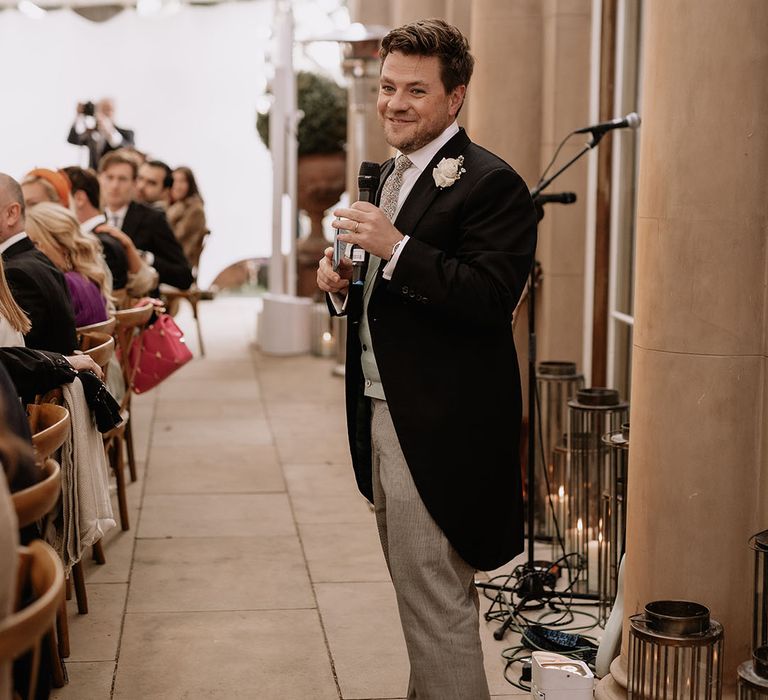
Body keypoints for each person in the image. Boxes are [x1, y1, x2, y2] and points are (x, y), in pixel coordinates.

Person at [316, 19, 537, 699]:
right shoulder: (389, 175)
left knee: (437, 608)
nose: (395, 102)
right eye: (388, 87)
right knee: (423, 606)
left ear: (455, 98)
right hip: (386, 416)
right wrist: (344, 288)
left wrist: (397, 248)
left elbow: (490, 298)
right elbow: (390, 302)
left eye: (416, 89)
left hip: (441, 430)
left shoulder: (492, 184)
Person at [0, 174, 77, 354]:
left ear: (11, 214)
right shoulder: (39, 259)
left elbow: (18, 356)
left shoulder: (13, 274)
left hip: (45, 381)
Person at [98, 151, 193, 291]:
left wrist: (146, 258)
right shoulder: (92, 215)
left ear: (134, 183)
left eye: (122, 179)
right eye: (109, 177)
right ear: (100, 178)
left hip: (138, 304)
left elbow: (184, 276)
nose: (114, 185)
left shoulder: (153, 219)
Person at [63, 166, 159, 298]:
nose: (114, 186)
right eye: (109, 178)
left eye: (56, 199)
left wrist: (140, 255)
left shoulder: (101, 244)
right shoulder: (102, 234)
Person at [25, 203, 110, 327]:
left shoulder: (65, 284)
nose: (30, 252)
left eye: (35, 243)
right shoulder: (85, 277)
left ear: (61, 243)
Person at [67, 98, 135, 170]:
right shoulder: (92, 132)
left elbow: (128, 151)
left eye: (108, 109)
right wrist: (79, 116)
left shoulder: (127, 133)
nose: (105, 113)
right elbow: (72, 139)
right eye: (102, 109)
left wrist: (110, 132)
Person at [167, 166, 208, 272]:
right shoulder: (170, 206)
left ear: (190, 184)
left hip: (179, 265)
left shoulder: (195, 210)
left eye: (182, 181)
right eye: (174, 181)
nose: (177, 186)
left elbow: (174, 238)